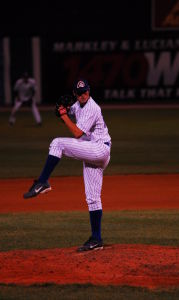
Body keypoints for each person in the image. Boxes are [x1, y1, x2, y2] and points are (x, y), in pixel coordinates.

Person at [23, 78, 111, 252]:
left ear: (89, 91)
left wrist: (63, 115)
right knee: (92, 198)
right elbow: (70, 113)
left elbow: (78, 133)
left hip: (100, 149)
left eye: (85, 91)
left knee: (57, 143)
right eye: (79, 93)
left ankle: (43, 182)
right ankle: (96, 239)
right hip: (92, 151)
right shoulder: (78, 105)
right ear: (75, 94)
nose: (83, 95)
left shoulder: (93, 107)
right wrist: (64, 112)